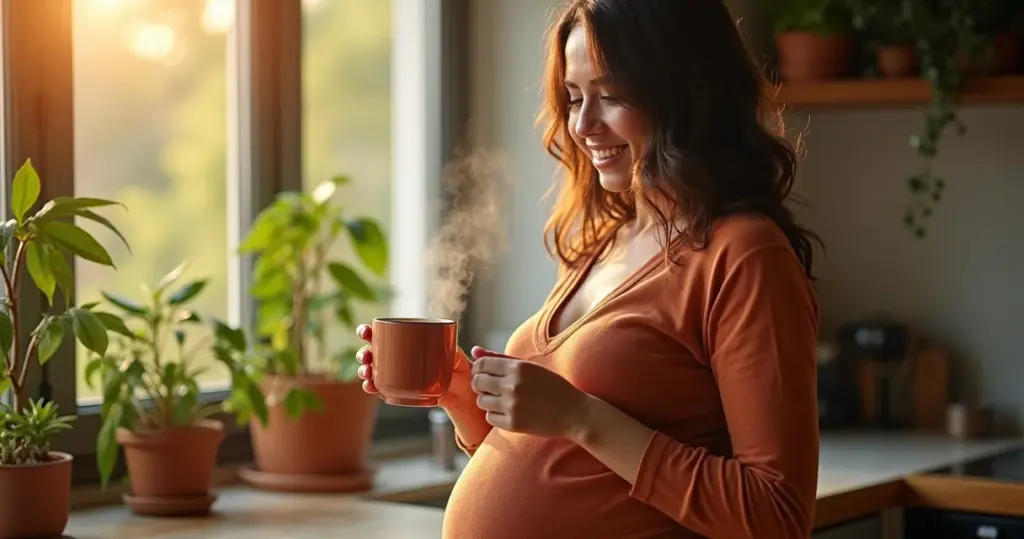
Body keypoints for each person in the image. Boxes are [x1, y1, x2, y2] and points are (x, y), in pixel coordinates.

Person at [355, 0, 822, 537]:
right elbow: (571, 470)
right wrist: (463, 399)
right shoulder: (603, 242)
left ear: (685, 92)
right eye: (574, 98)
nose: (582, 125)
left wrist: (583, 417)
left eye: (611, 96)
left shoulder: (743, 256)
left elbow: (778, 517)